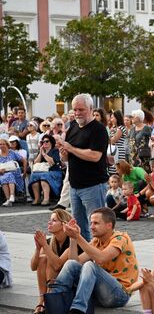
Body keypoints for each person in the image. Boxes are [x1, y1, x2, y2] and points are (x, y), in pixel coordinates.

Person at [46, 208, 138, 314]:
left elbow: (101, 258)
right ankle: (53, 306)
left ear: (108, 225)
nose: (91, 227)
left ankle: (76, 312)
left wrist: (78, 237)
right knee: (70, 264)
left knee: (90, 266)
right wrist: (73, 239)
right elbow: (75, 261)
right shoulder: (96, 241)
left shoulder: (120, 239)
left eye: (96, 223)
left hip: (120, 294)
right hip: (101, 293)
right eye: (91, 223)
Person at [57, 94, 109, 241]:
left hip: (93, 185)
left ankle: (100, 258)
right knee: (78, 227)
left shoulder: (98, 129)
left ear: (91, 109)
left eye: (81, 109)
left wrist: (71, 148)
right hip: (75, 185)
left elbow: (95, 156)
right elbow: (68, 156)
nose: (77, 113)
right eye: (75, 109)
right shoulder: (73, 126)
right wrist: (64, 154)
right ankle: (84, 257)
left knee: (98, 226)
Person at [24, 210, 79, 314]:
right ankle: (42, 302)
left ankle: (47, 305)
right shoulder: (50, 242)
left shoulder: (72, 242)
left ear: (64, 224)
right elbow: (33, 267)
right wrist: (38, 248)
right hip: (54, 284)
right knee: (43, 258)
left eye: (54, 220)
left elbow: (58, 265)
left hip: (69, 284)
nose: (49, 223)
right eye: (50, 220)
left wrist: (44, 245)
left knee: (48, 258)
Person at [29, 134, 63, 206]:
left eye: (46, 141)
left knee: (44, 177)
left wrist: (44, 154)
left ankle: (46, 199)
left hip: (54, 171)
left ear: (51, 142)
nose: (44, 143)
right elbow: (36, 162)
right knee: (33, 176)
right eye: (42, 142)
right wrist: (41, 153)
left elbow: (52, 162)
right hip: (42, 171)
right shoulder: (41, 151)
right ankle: (37, 198)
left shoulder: (55, 151)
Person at [0, 136, 26, 206]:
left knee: (9, 175)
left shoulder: (12, 152)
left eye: (3, 144)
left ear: (7, 145)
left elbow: (24, 160)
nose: (1, 145)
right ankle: (9, 199)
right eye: (0, 144)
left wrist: (25, 171)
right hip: (2, 173)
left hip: (14, 172)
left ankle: (11, 196)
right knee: (3, 177)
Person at [107, 110, 128, 175]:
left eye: (113, 117)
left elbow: (113, 140)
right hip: (111, 151)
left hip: (118, 151)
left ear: (117, 118)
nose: (111, 119)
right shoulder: (113, 128)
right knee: (111, 170)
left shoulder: (121, 128)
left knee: (117, 171)